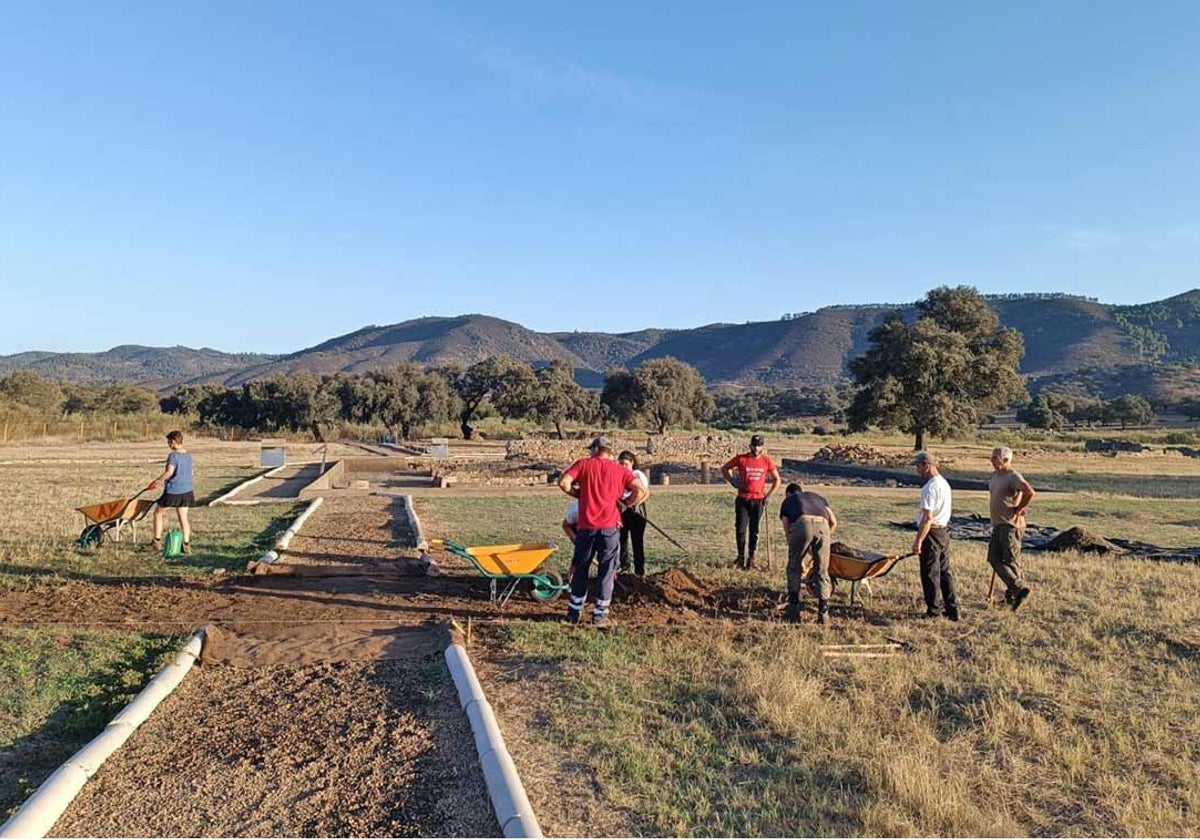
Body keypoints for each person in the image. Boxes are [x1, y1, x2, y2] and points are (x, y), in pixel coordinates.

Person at [557, 436, 649, 627]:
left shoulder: (583, 464)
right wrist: (625, 505)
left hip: (586, 526)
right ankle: (600, 615)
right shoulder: (619, 469)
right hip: (609, 527)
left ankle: (574, 614)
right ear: (609, 452)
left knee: (581, 568)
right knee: (607, 571)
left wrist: (579, 494)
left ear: (595, 449)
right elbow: (640, 490)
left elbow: (564, 483)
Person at [778, 481, 837, 624]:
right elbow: (834, 522)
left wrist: (799, 560)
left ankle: (793, 613)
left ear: (789, 494)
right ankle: (823, 616)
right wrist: (824, 540)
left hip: (802, 523)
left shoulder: (788, 501)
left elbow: (788, 530)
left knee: (793, 569)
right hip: (823, 525)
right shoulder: (817, 497)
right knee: (822, 571)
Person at [721, 434, 782, 569]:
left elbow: (777, 479)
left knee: (754, 530)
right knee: (741, 529)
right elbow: (724, 468)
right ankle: (740, 557)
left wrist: (769, 495)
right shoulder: (741, 459)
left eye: (759, 445)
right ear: (750, 446)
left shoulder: (767, 461)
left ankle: (751, 559)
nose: (756, 448)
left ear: (762, 447)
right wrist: (733, 481)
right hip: (743, 499)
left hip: (758, 500)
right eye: (754, 445)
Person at [911, 452, 959, 621]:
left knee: (930, 573)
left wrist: (918, 541)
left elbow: (928, 518)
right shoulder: (944, 484)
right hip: (943, 532)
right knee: (944, 571)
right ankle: (952, 609)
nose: (918, 470)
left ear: (927, 465)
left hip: (931, 533)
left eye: (918, 466)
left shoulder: (930, 488)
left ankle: (934, 610)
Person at [988, 446, 1036, 611]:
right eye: (992, 457)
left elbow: (1029, 492)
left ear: (1006, 460)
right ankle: (1017, 589)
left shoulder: (1013, 476)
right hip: (998, 524)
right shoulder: (995, 475)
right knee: (993, 558)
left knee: (1010, 561)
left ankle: (1016, 593)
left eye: (995, 457)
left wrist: (1020, 507)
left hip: (1010, 525)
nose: (992, 460)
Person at [148, 430, 194, 555]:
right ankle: (186, 545)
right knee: (183, 518)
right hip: (187, 491)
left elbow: (169, 472)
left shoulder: (173, 456)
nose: (168, 444)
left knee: (158, 513)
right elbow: (191, 473)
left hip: (174, 491)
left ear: (174, 442)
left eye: (169, 442)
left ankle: (156, 542)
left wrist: (156, 481)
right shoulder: (188, 455)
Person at [617, 450, 650, 576]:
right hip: (622, 510)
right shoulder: (618, 475)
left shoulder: (637, 475)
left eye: (625, 464)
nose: (623, 467)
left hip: (636, 512)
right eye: (621, 464)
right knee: (622, 539)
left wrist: (635, 503)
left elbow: (644, 493)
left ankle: (639, 571)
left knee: (637, 541)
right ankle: (624, 566)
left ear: (632, 463)